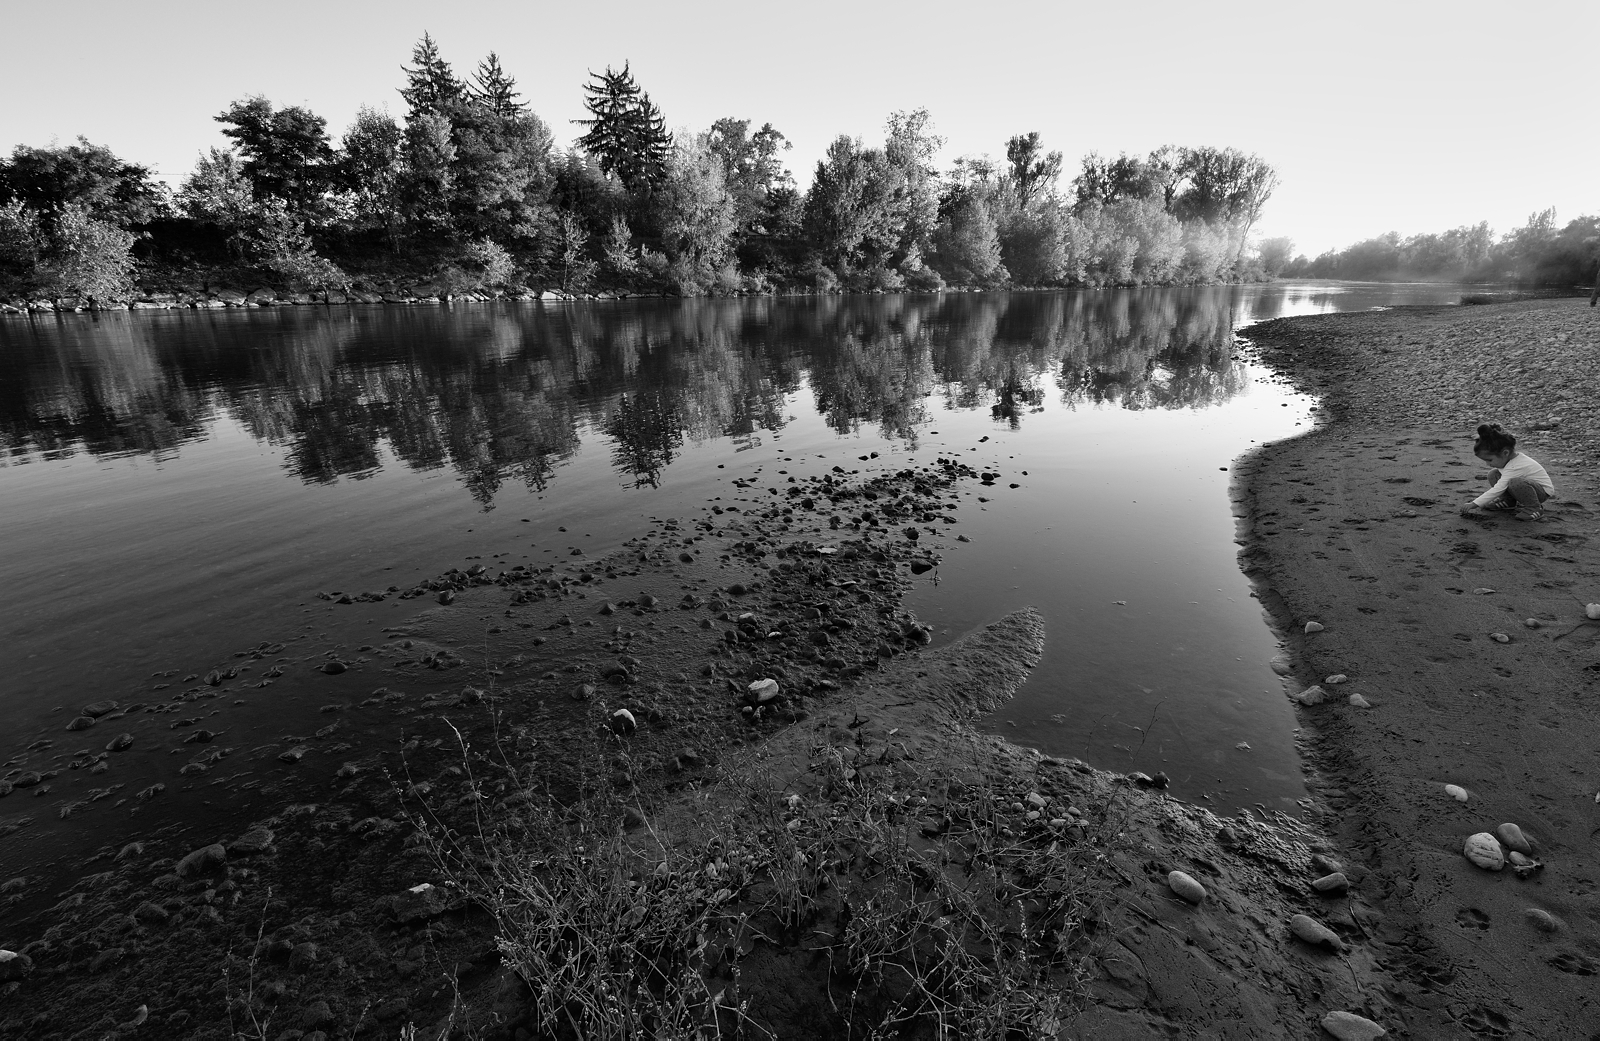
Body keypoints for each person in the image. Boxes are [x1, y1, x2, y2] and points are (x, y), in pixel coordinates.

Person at [1459, 423, 1554, 521]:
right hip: (1527, 488)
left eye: (1490, 460)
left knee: (1515, 482)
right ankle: (1508, 501)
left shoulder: (1515, 466)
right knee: (1494, 474)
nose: (1487, 464)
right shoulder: (1508, 461)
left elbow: (1499, 488)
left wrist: (1474, 504)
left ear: (1505, 453)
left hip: (1541, 492)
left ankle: (1534, 508)